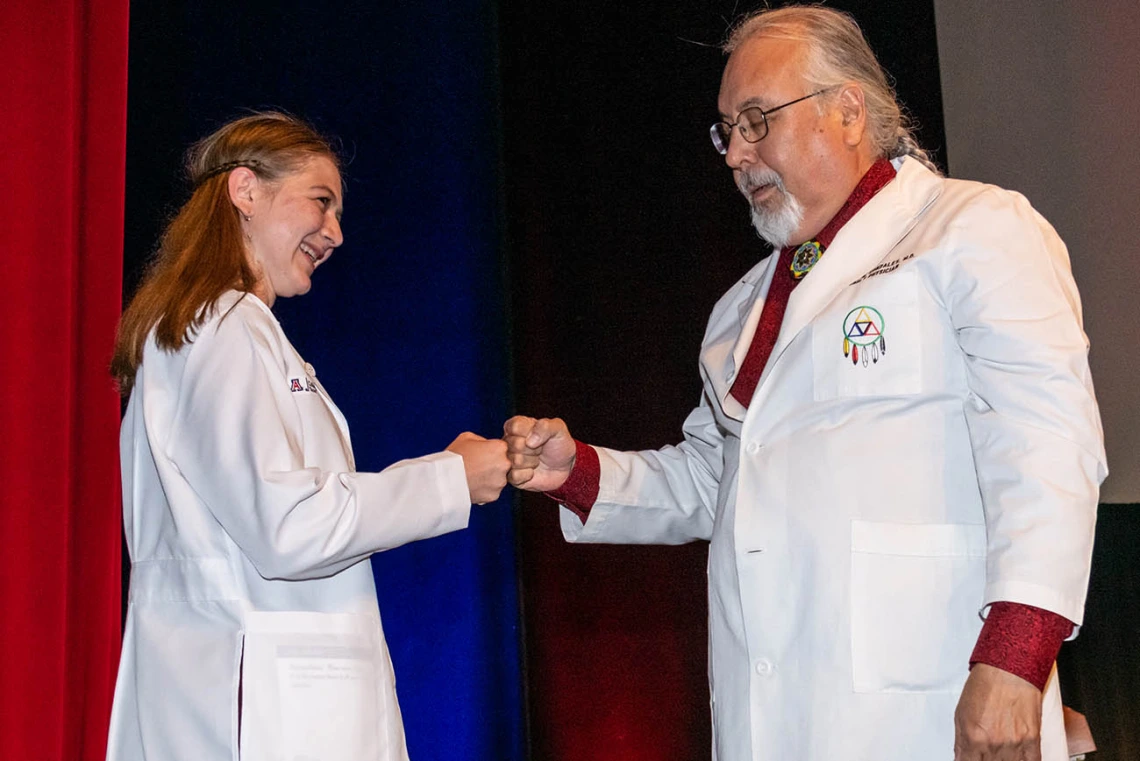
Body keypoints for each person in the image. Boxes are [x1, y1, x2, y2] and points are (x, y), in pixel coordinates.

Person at [504, 7, 1105, 761]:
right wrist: (580, 472)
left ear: (848, 111)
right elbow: (714, 479)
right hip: (773, 714)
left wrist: (1018, 653)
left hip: (928, 703)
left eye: (757, 120)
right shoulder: (740, 309)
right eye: (727, 130)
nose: (736, 154)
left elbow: (1047, 441)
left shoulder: (973, 228)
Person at [107, 112, 510, 761]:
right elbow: (286, 527)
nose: (336, 233)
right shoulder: (224, 326)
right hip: (259, 713)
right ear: (246, 190)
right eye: (321, 202)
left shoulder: (215, 328)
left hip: (231, 694)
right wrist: (449, 478)